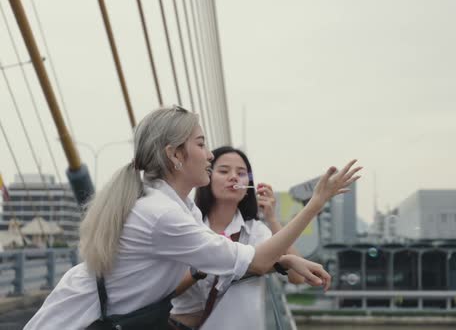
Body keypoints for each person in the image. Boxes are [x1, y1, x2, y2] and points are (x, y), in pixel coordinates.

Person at [24, 107, 361, 329]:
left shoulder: (180, 208)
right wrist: (317, 202)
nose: (210, 154)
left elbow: (229, 260)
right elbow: (254, 261)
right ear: (175, 155)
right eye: (201, 144)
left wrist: (283, 260)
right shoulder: (161, 215)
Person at [169, 146, 305, 329]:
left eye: (241, 173)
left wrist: (272, 218)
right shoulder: (187, 224)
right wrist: (203, 266)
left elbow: (297, 277)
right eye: (224, 171)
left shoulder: (255, 232)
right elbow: (167, 291)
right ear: (206, 177)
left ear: (247, 186)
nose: (233, 177)